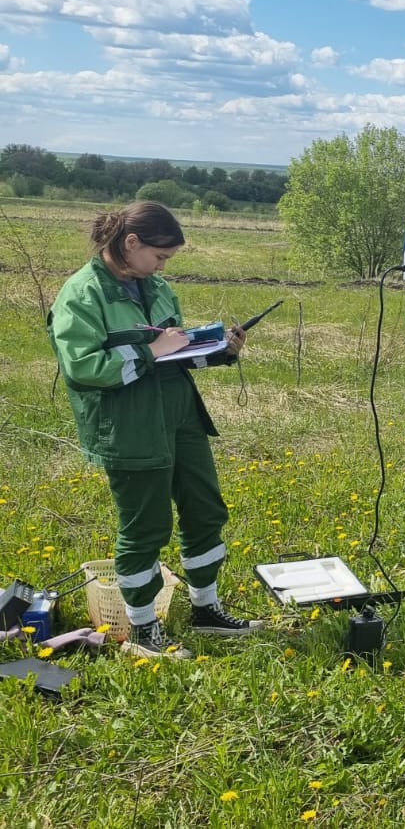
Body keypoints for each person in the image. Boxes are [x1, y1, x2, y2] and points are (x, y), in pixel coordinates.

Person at [47, 201, 261, 660]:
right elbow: (83, 368)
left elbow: (174, 352)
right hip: (129, 427)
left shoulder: (156, 286)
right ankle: (143, 633)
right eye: (160, 256)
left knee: (206, 511)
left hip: (180, 416)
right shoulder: (82, 295)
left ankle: (207, 610)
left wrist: (221, 349)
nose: (163, 266)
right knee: (146, 527)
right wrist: (150, 352)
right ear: (130, 243)